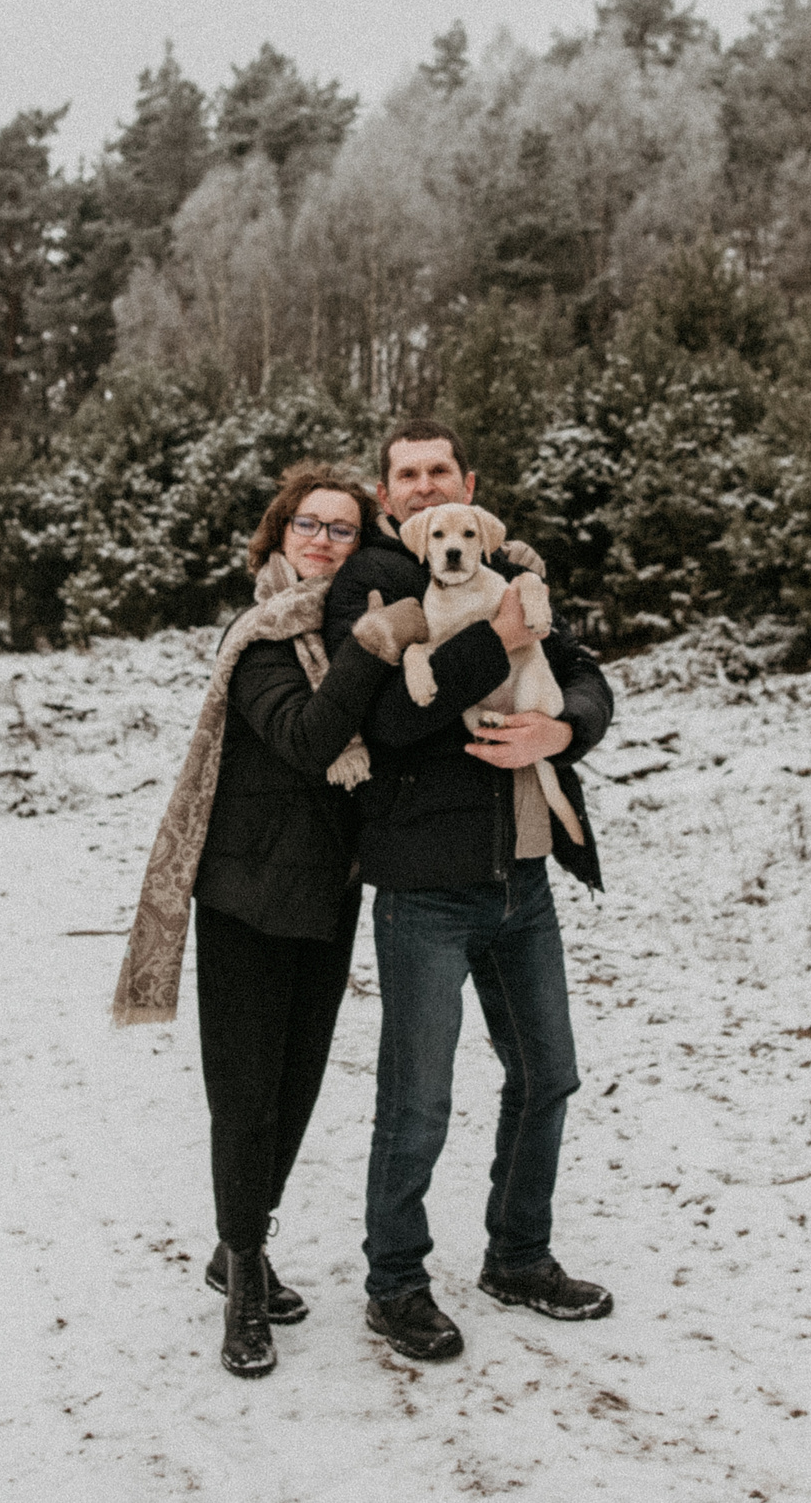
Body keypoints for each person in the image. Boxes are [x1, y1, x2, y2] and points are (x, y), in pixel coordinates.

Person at [111, 462, 428, 1379]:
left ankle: (234, 1240)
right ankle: (244, 1276)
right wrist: (373, 640)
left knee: (296, 1091)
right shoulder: (259, 635)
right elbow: (304, 739)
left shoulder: (347, 629)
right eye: (308, 525)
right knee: (246, 1097)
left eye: (342, 528)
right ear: (279, 536)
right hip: (248, 897)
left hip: (329, 894)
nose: (324, 541)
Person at [322, 418, 616, 1364]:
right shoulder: (369, 584)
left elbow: (581, 674)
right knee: (419, 1098)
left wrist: (560, 732)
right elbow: (395, 721)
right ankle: (396, 1282)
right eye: (404, 475)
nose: (421, 487)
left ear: (468, 482)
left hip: (520, 875)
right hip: (424, 888)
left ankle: (518, 1254)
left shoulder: (507, 568)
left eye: (437, 471)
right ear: (386, 493)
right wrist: (493, 639)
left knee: (547, 1073)